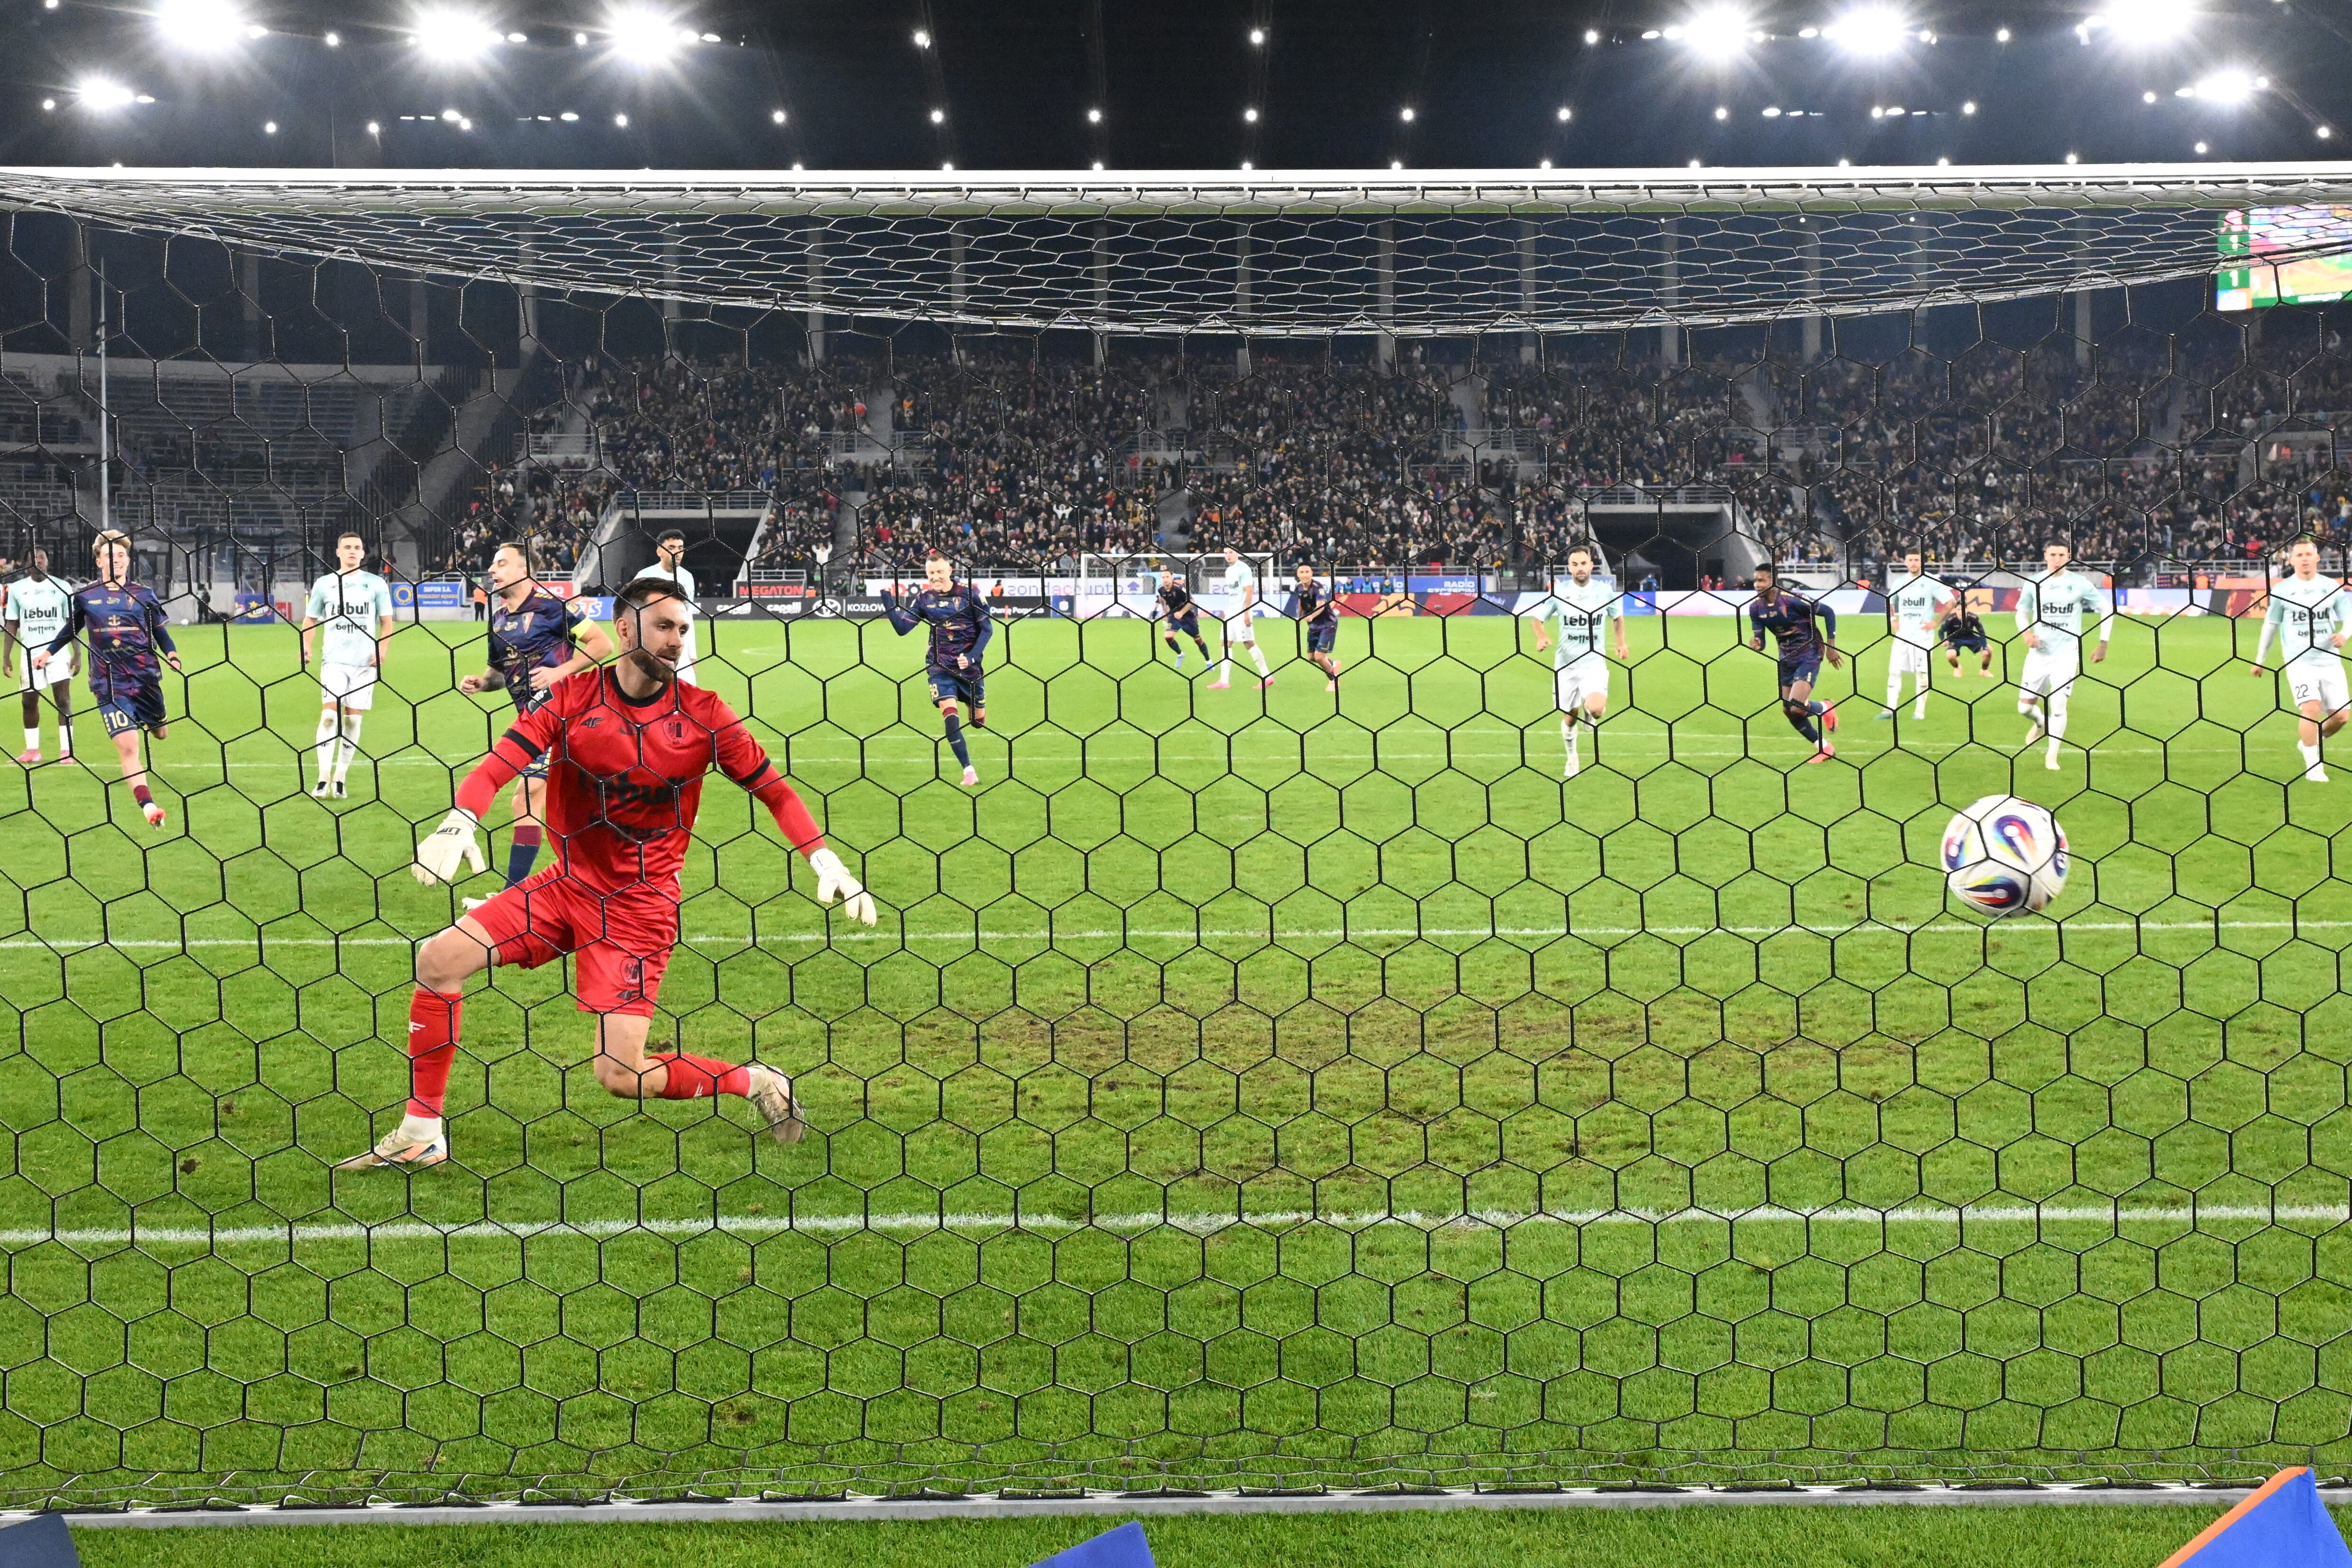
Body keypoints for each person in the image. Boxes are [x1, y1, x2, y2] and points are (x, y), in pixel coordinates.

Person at [347, 577, 878, 1170]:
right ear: (625, 629)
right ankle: (421, 1132)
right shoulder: (573, 697)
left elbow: (775, 792)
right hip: (567, 885)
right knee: (439, 960)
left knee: (622, 1076)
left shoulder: (704, 715)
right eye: (664, 627)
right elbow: (504, 761)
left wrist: (822, 856)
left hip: (638, 907)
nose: (676, 640)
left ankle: (756, 1081)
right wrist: (460, 818)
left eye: (683, 629)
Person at [461, 542, 614, 901]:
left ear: (524, 570)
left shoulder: (554, 607)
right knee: (558, 805)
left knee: (526, 797)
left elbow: (602, 643)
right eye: (492, 564)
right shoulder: (498, 618)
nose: (493, 570)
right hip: (533, 722)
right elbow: (499, 672)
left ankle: (514, 896)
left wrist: (561, 671)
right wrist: (483, 684)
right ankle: (545, 890)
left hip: (567, 719)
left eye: (501, 563)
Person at [33, 529, 181, 826]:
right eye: (109, 556)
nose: (117, 561)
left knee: (160, 732)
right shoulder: (86, 596)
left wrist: (173, 655)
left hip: (145, 679)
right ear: (99, 562)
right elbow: (71, 629)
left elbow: (161, 632)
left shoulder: (144, 595)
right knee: (129, 748)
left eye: (122, 556)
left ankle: (154, 721)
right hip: (109, 684)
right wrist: (48, 653)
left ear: (128, 560)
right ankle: (149, 806)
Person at [300, 531, 397, 799]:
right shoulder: (324, 584)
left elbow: (387, 622)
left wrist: (383, 648)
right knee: (330, 717)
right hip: (333, 661)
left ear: (364, 554)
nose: (353, 551)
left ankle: (340, 777)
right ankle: (322, 778)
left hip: (365, 663)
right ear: (338, 552)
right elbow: (310, 620)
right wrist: (306, 645)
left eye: (357, 547)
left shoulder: (376, 584)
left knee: (353, 720)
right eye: (348, 547)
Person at [882, 552, 992, 788]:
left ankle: (976, 706)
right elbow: (902, 629)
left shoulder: (970, 595)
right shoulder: (924, 599)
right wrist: (889, 604)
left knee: (977, 722)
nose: (936, 577)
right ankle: (968, 770)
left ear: (950, 571)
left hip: (969, 670)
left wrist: (972, 658)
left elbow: (987, 630)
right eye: (931, 573)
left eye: (940, 572)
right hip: (939, 667)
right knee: (950, 718)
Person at [2251, 535, 2350, 782]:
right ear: (2292, 560)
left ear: (2317, 558)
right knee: (2311, 707)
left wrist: (2345, 634)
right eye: (2300, 555)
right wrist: (2260, 659)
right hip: (2299, 660)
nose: (2305, 559)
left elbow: (2349, 616)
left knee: (2341, 717)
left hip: (2330, 659)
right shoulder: (2283, 591)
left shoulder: (2331, 587)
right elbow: (2270, 625)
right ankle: (2314, 769)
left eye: (2309, 554)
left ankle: (2310, 742)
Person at [1528, 544, 1630, 778]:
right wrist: (1542, 637)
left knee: (1596, 710)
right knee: (1569, 717)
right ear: (1570, 568)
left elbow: (1617, 618)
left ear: (1591, 565)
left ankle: (1589, 707)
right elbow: (1537, 620)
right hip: (1566, 664)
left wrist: (1621, 643)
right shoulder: (1559, 592)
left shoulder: (1605, 592)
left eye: (1584, 564)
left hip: (1594, 662)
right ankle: (1572, 757)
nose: (1580, 569)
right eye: (1575, 565)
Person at [2016, 540, 2111, 771]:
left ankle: (2052, 756)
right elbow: (2021, 611)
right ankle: (2041, 723)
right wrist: (2026, 634)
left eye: (2061, 555)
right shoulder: (2034, 582)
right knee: (2024, 708)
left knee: (2058, 704)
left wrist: (2103, 643)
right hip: (2039, 655)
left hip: (2067, 655)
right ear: (2045, 556)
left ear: (2068, 557)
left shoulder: (2079, 584)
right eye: (2053, 555)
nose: (2057, 559)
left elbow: (2107, 609)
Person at [1745, 562, 1843, 765]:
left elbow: (1828, 612)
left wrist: (1832, 647)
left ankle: (1825, 708)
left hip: (1810, 653)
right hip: (1786, 658)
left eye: (1761, 580)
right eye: (1755, 580)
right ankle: (1825, 748)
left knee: (1797, 707)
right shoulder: (1755, 608)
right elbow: (1761, 641)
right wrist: (1757, 644)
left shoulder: (1794, 600)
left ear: (1773, 581)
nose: (1757, 585)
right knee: (1789, 710)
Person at [4, 547, 75, 766]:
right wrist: (6, 656)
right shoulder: (16, 589)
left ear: (48, 561)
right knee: (29, 701)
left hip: (58, 651)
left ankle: (67, 751)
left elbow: (71, 622)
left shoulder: (62, 587)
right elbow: (12, 623)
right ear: (26, 565)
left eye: (42, 557)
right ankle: (33, 751)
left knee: (63, 700)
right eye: (33, 559)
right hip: (30, 652)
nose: (39, 561)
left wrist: (78, 653)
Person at [1878, 550, 1952, 723]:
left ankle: (1920, 712)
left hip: (1923, 636)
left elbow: (1951, 603)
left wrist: (1936, 622)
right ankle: (1890, 709)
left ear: (1922, 562)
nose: (1913, 563)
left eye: (1917, 560)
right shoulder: (1900, 582)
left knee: (1922, 674)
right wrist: (1893, 619)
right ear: (1905, 562)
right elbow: (1890, 600)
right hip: (1903, 635)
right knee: (1894, 671)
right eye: (1911, 560)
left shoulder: (1931, 582)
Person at [631, 529, 698, 685]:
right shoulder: (644, 577)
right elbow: (632, 615)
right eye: (672, 547)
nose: (677, 552)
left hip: (677, 649)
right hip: (651, 649)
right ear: (660, 551)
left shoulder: (687, 578)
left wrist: (691, 653)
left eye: (681, 548)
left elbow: (688, 617)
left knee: (688, 692)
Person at [1211, 547, 1272, 689]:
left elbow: (1250, 591)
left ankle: (1267, 676)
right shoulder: (1229, 571)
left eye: (1231, 552)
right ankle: (1224, 681)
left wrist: (1247, 613)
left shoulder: (1244, 569)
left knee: (1249, 643)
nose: (1228, 555)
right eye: (1226, 553)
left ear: (1237, 554)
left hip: (1242, 611)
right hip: (1231, 612)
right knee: (1225, 643)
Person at [1293, 563, 1345, 691]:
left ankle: (1333, 680)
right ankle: (1333, 664)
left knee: (1320, 657)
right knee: (1311, 657)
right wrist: (1299, 616)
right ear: (1298, 574)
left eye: (1307, 572)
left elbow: (1321, 604)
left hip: (1328, 624)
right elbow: (1301, 601)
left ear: (1312, 574)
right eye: (1302, 572)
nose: (1305, 575)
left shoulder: (1318, 587)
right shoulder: (1299, 587)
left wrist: (1311, 616)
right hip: (1314, 626)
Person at [1156, 566, 1212, 669]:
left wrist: (1182, 612)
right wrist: (1165, 613)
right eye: (1163, 577)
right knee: (1168, 637)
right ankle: (1180, 654)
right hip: (1174, 616)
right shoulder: (1161, 589)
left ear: (1172, 577)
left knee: (1198, 640)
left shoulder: (1179, 588)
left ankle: (1208, 661)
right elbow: (1162, 599)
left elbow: (1192, 601)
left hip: (1188, 616)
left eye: (1167, 577)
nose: (1165, 579)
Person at [1941, 595, 1994, 677]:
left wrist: (1984, 645)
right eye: (1958, 609)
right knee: (1951, 656)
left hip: (1971, 638)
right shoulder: (1950, 619)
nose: (1961, 611)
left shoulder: (1973, 617)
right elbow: (1941, 631)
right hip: (1955, 639)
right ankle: (1957, 668)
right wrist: (1943, 640)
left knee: (1989, 650)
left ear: (1967, 610)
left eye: (1963, 609)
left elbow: (1981, 631)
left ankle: (1984, 671)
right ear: (1955, 610)